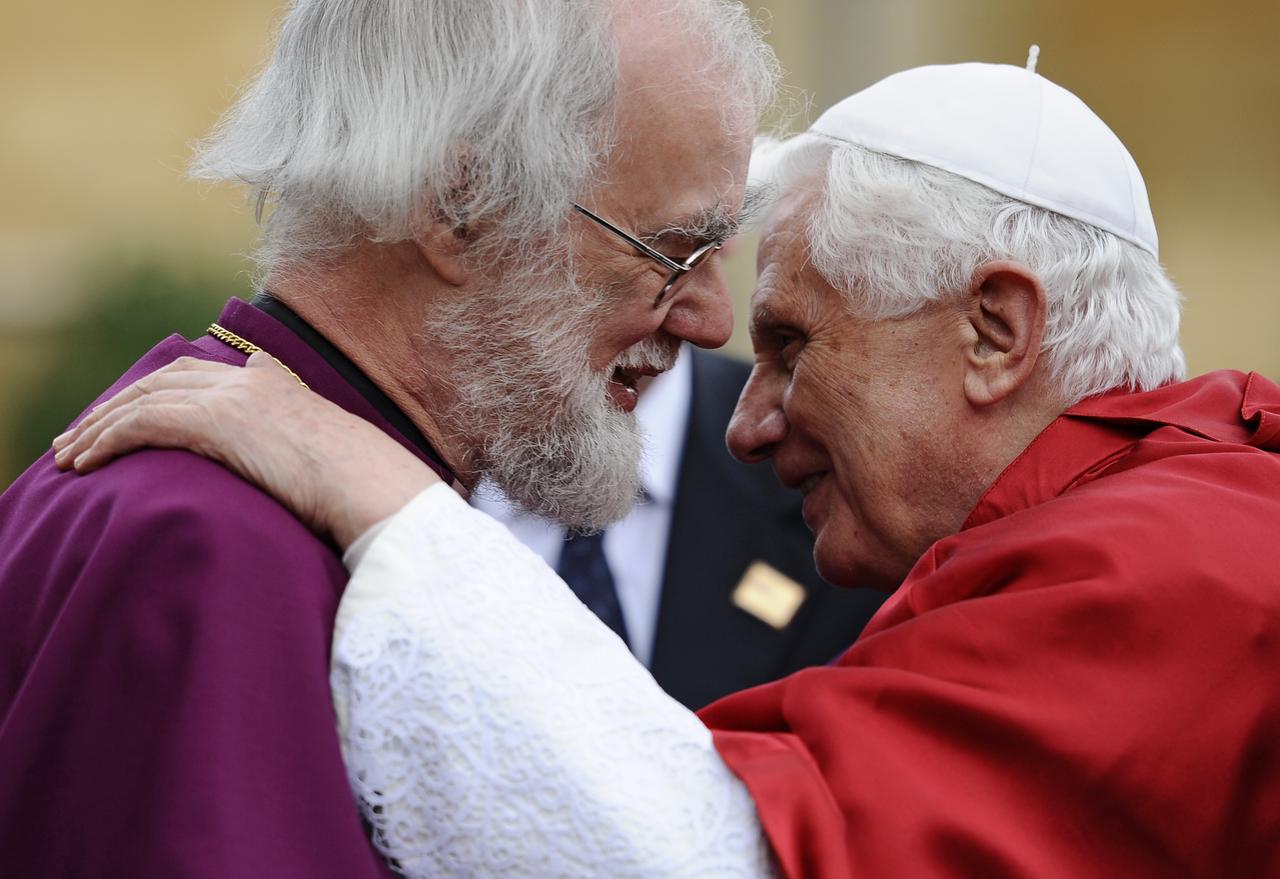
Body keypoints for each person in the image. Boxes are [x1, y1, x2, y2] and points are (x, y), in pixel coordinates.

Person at [55, 58, 1280, 877]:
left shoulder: (1170, 571)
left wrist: (384, 499)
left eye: (791, 347)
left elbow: (702, 855)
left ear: (993, 333)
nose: (744, 424)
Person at [0, 1, 782, 875]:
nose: (715, 320)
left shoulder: (254, 503)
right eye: (673, 251)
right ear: (461, 206)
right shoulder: (210, 552)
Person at [476, 344, 885, 710]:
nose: (715, 320)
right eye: (663, 256)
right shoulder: (423, 451)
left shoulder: (838, 471)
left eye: (701, 256)